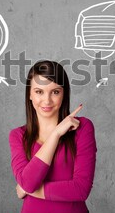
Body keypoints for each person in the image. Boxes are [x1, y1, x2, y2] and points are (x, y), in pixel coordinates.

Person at [9, 60, 97, 213]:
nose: (47, 100)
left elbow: (81, 189)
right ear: (29, 94)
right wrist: (56, 134)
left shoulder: (82, 128)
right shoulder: (18, 136)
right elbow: (28, 183)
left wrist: (29, 189)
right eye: (39, 91)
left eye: (55, 92)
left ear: (64, 94)